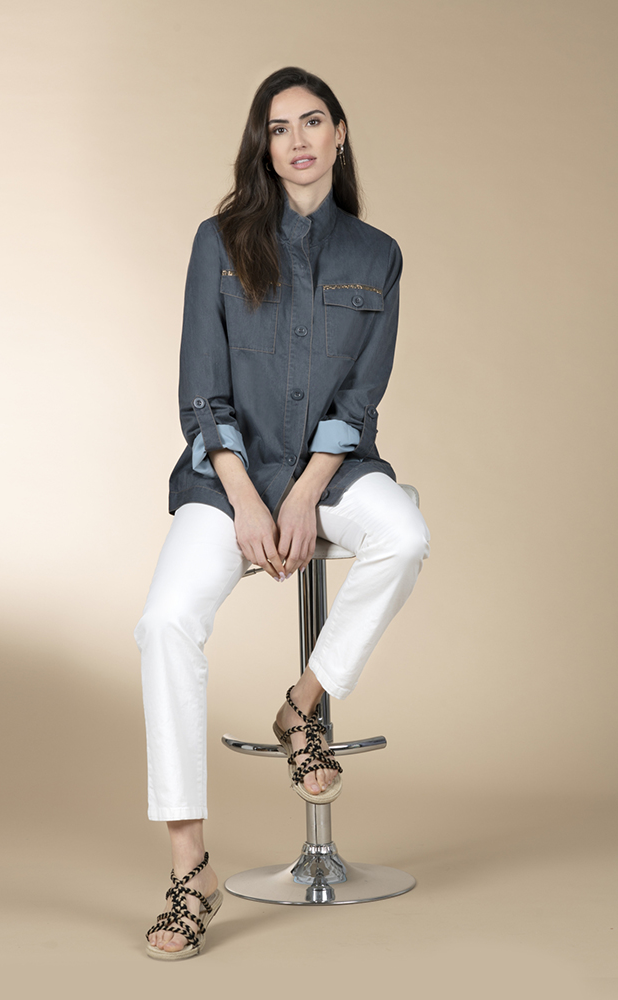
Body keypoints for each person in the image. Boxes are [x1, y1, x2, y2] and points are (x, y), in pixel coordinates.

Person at [135, 66, 430, 959]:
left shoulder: (377, 255)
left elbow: (361, 397)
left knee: (404, 534)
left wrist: (303, 492)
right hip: (226, 478)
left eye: (311, 122)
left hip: (329, 474)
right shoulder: (218, 241)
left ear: (339, 135)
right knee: (163, 623)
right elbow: (200, 391)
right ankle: (190, 871)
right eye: (277, 127)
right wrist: (245, 497)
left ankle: (303, 707)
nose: (296, 140)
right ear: (262, 146)